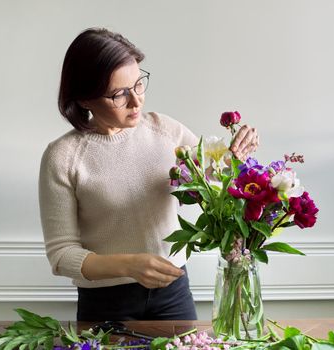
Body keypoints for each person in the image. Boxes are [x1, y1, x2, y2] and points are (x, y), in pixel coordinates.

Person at [39, 27, 259, 321]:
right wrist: (129, 265)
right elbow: (61, 254)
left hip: (174, 293)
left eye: (138, 83)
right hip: (104, 304)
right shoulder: (63, 157)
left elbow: (214, 180)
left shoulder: (167, 131)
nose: (136, 101)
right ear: (84, 99)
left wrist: (236, 156)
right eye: (119, 94)